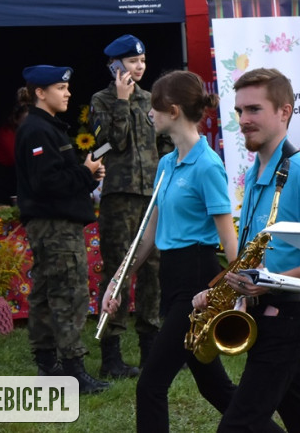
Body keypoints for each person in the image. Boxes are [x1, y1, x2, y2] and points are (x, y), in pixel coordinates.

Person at [197, 68, 300, 433]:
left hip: (290, 319)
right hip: (267, 315)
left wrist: (271, 283)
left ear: (284, 112)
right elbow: (258, 255)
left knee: (239, 425)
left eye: (254, 109)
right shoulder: (257, 170)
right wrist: (219, 289)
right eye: (239, 111)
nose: (243, 120)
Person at [102, 70, 238, 432]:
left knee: (150, 384)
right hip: (172, 277)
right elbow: (148, 236)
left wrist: (230, 291)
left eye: (155, 108)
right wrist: (117, 282)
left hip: (197, 279)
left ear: (174, 111)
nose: (151, 114)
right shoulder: (166, 164)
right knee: (215, 388)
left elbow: (230, 242)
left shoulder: (208, 166)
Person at [14, 65, 109, 394]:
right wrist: (85, 173)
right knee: (68, 295)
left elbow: (53, 178)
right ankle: (72, 371)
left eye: (67, 87)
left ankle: (48, 367)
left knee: (45, 295)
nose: (67, 92)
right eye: (59, 87)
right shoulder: (38, 131)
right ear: (40, 93)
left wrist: (85, 173)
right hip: (55, 226)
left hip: (53, 224)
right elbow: (47, 183)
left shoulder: (46, 128)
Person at [90, 33, 164, 378]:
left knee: (152, 268)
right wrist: (121, 101)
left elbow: (165, 144)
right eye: (133, 61)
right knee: (118, 270)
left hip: (152, 195)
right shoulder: (101, 100)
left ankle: (152, 347)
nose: (140, 67)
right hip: (119, 197)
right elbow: (110, 145)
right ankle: (112, 356)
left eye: (143, 61)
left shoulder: (151, 99)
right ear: (116, 65)